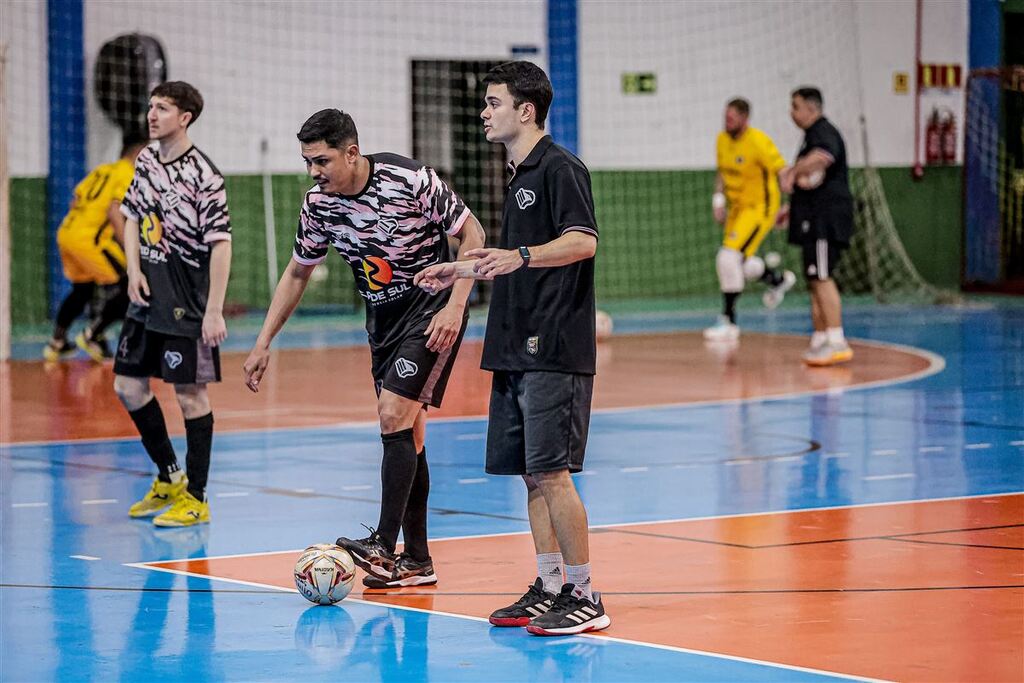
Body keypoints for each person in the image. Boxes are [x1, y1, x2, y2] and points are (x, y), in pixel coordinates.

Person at [242, 108, 485, 588]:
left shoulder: (411, 179)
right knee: (409, 435)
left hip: (430, 310)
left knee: (392, 414)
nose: (314, 171)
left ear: (351, 152)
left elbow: (471, 233)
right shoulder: (320, 204)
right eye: (307, 162)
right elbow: (297, 272)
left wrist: (456, 305)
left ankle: (383, 545)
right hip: (381, 322)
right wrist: (263, 341)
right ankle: (416, 561)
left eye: (322, 160)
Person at [415, 60, 610, 636]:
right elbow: (509, 256)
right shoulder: (518, 174)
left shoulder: (559, 168)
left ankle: (584, 594)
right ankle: (549, 583)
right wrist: (457, 269)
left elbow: (582, 242)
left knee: (552, 473)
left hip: (552, 342)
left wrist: (521, 257)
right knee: (531, 474)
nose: (484, 112)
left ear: (526, 111)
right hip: (512, 343)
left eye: (494, 102)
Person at [114, 81, 232, 527]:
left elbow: (222, 244)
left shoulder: (204, 175)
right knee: (127, 386)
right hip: (147, 295)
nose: (152, 114)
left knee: (189, 395)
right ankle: (168, 476)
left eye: (162, 108)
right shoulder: (145, 159)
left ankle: (197, 497)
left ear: (184, 117)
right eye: (150, 106)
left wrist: (215, 309)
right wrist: (133, 271)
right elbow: (130, 216)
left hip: (187, 300)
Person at [43, 135, 148, 362]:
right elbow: (114, 213)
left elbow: (75, 200)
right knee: (131, 285)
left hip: (67, 234)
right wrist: (131, 250)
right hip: (91, 241)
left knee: (82, 290)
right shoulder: (128, 174)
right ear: (139, 152)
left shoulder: (102, 170)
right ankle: (93, 334)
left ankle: (57, 343)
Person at [704, 98, 796, 342]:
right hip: (737, 210)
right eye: (725, 117)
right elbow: (722, 172)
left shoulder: (759, 142)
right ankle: (778, 280)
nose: (727, 123)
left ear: (745, 119)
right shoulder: (722, 140)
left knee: (727, 258)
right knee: (739, 264)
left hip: (760, 210)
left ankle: (729, 322)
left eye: (731, 119)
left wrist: (790, 205)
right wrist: (718, 200)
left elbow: (782, 171)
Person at [779, 87, 854, 366]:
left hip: (826, 220)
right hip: (813, 217)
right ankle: (821, 339)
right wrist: (792, 208)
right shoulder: (810, 137)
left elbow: (822, 158)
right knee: (814, 279)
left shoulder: (823, 133)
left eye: (795, 106)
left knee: (822, 278)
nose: (792, 112)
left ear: (811, 108)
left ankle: (837, 341)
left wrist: (791, 172)